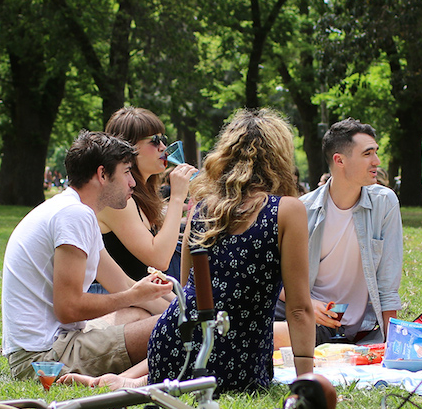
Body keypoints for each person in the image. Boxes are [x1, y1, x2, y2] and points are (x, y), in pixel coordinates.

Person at [146, 108, 316, 392]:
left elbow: (189, 289)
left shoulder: (202, 208)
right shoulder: (286, 211)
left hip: (171, 347)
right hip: (234, 360)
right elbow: (298, 309)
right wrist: (307, 384)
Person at [1, 130, 173, 381]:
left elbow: (122, 283)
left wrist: (180, 308)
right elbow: (69, 308)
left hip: (57, 341)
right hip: (42, 359)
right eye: (126, 172)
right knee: (173, 327)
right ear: (102, 174)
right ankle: (120, 382)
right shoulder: (74, 215)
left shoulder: (77, 211)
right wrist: (137, 298)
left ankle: (124, 376)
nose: (133, 183)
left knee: (142, 315)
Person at [273, 118, 402, 348]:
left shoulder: (384, 203)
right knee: (241, 316)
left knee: (265, 335)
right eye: (367, 154)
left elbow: (387, 283)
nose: (377, 161)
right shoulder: (303, 209)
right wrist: (307, 302)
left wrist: (391, 343)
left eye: (375, 152)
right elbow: (277, 279)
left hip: (333, 321)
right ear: (339, 160)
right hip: (297, 305)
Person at [93, 107, 196, 289]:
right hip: (111, 297)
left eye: (163, 139)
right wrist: (177, 197)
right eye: (155, 140)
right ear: (128, 146)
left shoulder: (144, 195)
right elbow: (160, 259)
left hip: (138, 295)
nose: (163, 147)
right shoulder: (117, 200)